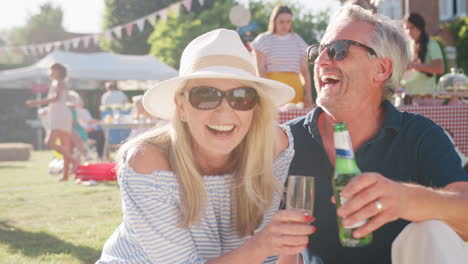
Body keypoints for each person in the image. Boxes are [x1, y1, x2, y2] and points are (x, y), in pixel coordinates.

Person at [96, 28, 315, 264]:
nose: (224, 111)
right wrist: (261, 246)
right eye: (205, 96)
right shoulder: (148, 163)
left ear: (255, 107)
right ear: (181, 107)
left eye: (241, 97)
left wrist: (286, 248)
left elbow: (278, 256)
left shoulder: (273, 149)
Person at [287, 5, 468, 264]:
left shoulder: (419, 135)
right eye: (318, 52)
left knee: (431, 229)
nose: (322, 61)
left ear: (382, 69)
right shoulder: (287, 141)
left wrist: (406, 200)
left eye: (339, 51)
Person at [251, 5, 313, 107]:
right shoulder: (263, 40)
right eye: (281, 22)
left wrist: (308, 95)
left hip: (295, 92)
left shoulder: (297, 40)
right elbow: (260, 71)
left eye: (288, 22)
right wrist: (263, 95)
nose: (285, 25)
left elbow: (305, 72)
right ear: (274, 21)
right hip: (273, 91)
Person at [26, 62, 78, 181]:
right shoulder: (58, 82)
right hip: (59, 113)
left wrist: (36, 103)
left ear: (58, 71)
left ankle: (74, 161)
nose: (50, 72)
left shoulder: (60, 82)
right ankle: (65, 175)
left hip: (60, 114)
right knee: (65, 145)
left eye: (52, 70)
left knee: (50, 142)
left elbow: (56, 98)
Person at [402, 13, 444, 100]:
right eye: (406, 28)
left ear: (420, 28)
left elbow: (439, 69)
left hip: (426, 98)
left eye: (412, 28)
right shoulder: (406, 45)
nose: (408, 31)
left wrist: (414, 66)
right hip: (407, 98)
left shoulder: (432, 44)